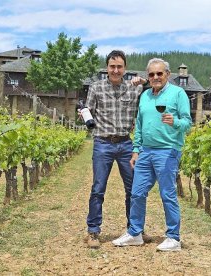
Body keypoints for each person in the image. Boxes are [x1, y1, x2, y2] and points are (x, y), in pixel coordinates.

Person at [112, 58, 192, 251]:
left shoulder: (178, 93)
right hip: (145, 152)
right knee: (137, 193)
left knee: (167, 194)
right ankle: (135, 233)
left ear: (168, 74)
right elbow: (139, 124)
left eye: (159, 73)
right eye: (151, 74)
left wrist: (175, 122)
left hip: (168, 150)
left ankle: (173, 238)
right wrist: (136, 149)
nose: (155, 77)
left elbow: (187, 123)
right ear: (148, 77)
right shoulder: (146, 95)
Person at [84, 50, 145, 249]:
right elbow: (87, 112)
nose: (116, 70)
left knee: (133, 189)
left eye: (119, 67)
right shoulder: (96, 87)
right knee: (98, 188)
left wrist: (142, 81)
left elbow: (152, 89)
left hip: (126, 144)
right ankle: (93, 231)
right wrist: (84, 117)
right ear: (107, 68)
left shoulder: (135, 88)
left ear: (125, 68)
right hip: (103, 143)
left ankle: (134, 229)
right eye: (112, 66)